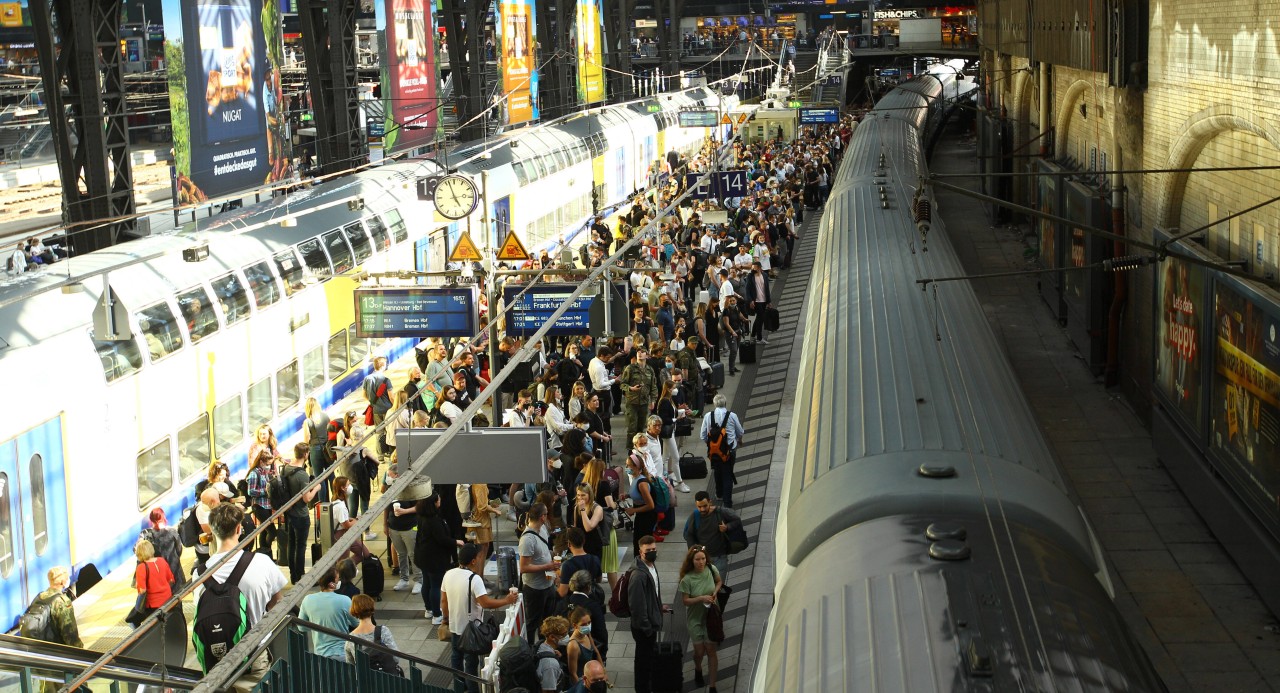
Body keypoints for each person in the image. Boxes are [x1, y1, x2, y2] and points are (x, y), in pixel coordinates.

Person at [196, 503, 286, 680]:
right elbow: (278, 604)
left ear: (212, 532)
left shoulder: (198, 574)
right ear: (239, 529)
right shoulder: (262, 562)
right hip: (253, 654)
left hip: (216, 661)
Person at [442, 543, 519, 693]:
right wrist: (506, 600)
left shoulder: (448, 574)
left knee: (456, 657)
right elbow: (486, 603)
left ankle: (459, 686)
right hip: (471, 630)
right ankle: (472, 690)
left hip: (455, 626)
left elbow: (443, 601)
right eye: (478, 557)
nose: (479, 559)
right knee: (470, 663)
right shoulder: (474, 579)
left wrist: (446, 618)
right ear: (473, 561)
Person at [680, 545, 725, 692]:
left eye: (703, 558)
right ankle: (698, 668)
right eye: (697, 559)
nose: (701, 562)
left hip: (711, 617)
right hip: (695, 619)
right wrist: (701, 598)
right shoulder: (687, 579)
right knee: (699, 652)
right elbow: (685, 601)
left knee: (711, 650)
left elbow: (719, 581)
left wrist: (715, 592)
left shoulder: (711, 569)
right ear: (691, 561)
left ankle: (712, 685)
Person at [627, 536, 665, 693]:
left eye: (654, 549)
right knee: (643, 662)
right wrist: (647, 628)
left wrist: (658, 606)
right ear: (640, 551)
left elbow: (652, 593)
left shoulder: (651, 566)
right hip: (644, 627)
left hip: (650, 620)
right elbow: (637, 606)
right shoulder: (638, 576)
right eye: (648, 550)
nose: (652, 552)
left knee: (647, 659)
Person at [415, 493, 460, 624]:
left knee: (427, 583)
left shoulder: (422, 517)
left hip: (423, 556)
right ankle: (436, 614)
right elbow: (442, 539)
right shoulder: (434, 521)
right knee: (435, 585)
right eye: (438, 499)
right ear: (434, 503)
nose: (440, 500)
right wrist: (456, 542)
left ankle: (428, 609)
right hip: (434, 559)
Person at [519, 503, 560, 644]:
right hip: (534, 589)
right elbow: (524, 567)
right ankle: (531, 648)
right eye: (546, 513)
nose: (548, 516)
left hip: (548, 583)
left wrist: (551, 556)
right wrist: (548, 565)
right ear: (542, 517)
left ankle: (545, 646)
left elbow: (543, 551)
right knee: (533, 622)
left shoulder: (542, 529)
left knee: (547, 621)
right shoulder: (527, 539)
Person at [298, 566, 358, 660]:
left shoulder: (308, 600)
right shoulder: (344, 600)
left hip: (320, 655)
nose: (339, 582)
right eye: (338, 579)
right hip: (342, 653)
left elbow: (301, 627)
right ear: (332, 583)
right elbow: (357, 623)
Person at [683, 492, 742, 580]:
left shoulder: (720, 512)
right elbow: (689, 535)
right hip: (703, 560)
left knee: (718, 586)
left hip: (720, 557)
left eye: (705, 506)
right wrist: (694, 552)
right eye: (699, 507)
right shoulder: (694, 516)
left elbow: (737, 520)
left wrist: (727, 527)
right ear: (696, 504)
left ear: (710, 502)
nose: (702, 509)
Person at [700, 394, 745, 508]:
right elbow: (740, 432)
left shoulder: (708, 416)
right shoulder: (732, 416)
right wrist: (739, 440)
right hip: (729, 451)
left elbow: (703, 435)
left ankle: (719, 493)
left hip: (714, 452)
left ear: (714, 404)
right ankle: (727, 502)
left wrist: (712, 445)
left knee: (717, 471)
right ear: (725, 403)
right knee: (728, 474)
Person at [282, 443, 318, 584]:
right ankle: (300, 575)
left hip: (289, 513)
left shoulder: (286, 468)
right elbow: (307, 498)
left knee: (291, 545)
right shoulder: (302, 475)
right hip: (301, 515)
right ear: (305, 455)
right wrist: (316, 488)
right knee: (301, 546)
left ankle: (293, 576)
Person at [344, 593, 402, 670]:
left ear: (354, 611)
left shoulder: (351, 638)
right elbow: (396, 657)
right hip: (386, 677)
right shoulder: (383, 631)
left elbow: (350, 665)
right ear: (372, 608)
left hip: (365, 679)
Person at [138, 507, 185, 591]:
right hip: (175, 570)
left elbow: (139, 551)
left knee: (164, 598)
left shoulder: (147, 535)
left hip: (157, 574)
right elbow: (179, 549)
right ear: (164, 517)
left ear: (151, 520)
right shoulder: (172, 532)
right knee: (178, 596)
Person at [622, 449, 658, 555]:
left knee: (642, 543)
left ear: (636, 467)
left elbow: (650, 505)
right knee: (637, 542)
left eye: (628, 465)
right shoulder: (636, 478)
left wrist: (633, 510)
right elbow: (638, 494)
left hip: (646, 517)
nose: (627, 468)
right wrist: (627, 495)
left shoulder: (642, 483)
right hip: (641, 516)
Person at [131, 539, 175, 627]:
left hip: (152, 605)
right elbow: (171, 580)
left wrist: (138, 586)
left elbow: (142, 590)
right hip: (168, 600)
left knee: (132, 620)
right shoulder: (161, 560)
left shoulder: (141, 567)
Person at [244, 450, 278, 558]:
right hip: (259, 506)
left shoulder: (264, 472)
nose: (269, 466)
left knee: (264, 531)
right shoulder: (254, 473)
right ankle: (265, 551)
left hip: (266, 505)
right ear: (261, 462)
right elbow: (251, 491)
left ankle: (265, 555)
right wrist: (266, 491)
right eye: (268, 464)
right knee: (272, 531)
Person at [388, 493, 422, 595]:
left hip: (409, 527)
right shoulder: (390, 488)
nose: (390, 476)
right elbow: (386, 507)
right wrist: (385, 524)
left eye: (392, 475)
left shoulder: (410, 490)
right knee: (401, 553)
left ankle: (419, 580)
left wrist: (404, 511)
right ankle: (404, 579)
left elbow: (419, 507)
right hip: (394, 527)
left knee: (412, 554)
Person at [363, 356, 394, 460]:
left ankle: (380, 456)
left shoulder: (367, 379)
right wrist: (394, 407)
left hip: (376, 410)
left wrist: (373, 403)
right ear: (382, 365)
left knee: (379, 432)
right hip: (387, 410)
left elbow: (364, 395)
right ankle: (390, 453)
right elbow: (391, 397)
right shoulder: (386, 380)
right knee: (389, 431)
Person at [557, 527, 602, 597]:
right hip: (592, 599)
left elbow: (562, 593)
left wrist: (557, 581)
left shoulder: (567, 565)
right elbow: (599, 580)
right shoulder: (595, 559)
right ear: (584, 541)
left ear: (569, 544)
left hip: (575, 603)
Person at [303, 397, 331, 502]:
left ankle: (323, 504)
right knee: (331, 474)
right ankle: (337, 499)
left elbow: (306, 439)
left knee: (319, 478)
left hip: (315, 450)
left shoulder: (308, 421)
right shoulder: (325, 416)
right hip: (327, 449)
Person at [193, 487, 220, 575]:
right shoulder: (202, 510)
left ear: (212, 501)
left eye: (204, 501)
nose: (202, 503)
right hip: (211, 548)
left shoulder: (218, 508)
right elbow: (208, 530)